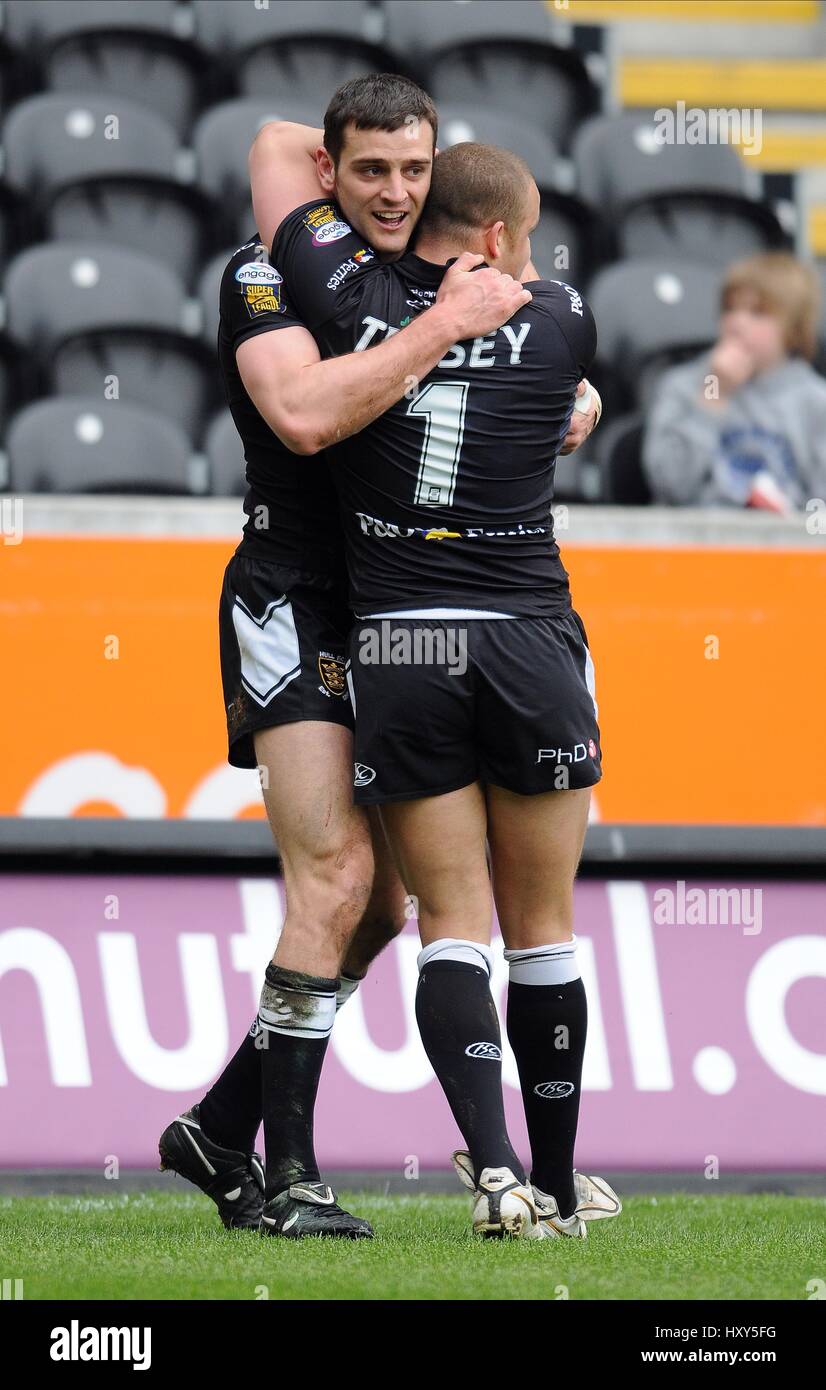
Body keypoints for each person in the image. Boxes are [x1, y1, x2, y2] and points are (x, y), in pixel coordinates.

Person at [159, 74, 599, 1240]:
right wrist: (444, 330)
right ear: (328, 172)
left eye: (416, 170)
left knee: (384, 906)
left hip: (392, 611)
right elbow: (305, 417)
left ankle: (215, 1125)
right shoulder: (270, 271)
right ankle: (289, 1174)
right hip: (293, 597)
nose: (397, 193)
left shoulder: (411, 277)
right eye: (368, 170)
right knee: (341, 882)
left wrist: (560, 373)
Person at [642, 252, 826, 512]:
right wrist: (713, 395)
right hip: (697, 545)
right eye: (730, 309)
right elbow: (670, 486)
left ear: (794, 330)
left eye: (758, 313)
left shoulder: (816, 402)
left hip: (784, 548)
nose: (737, 323)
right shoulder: (681, 386)